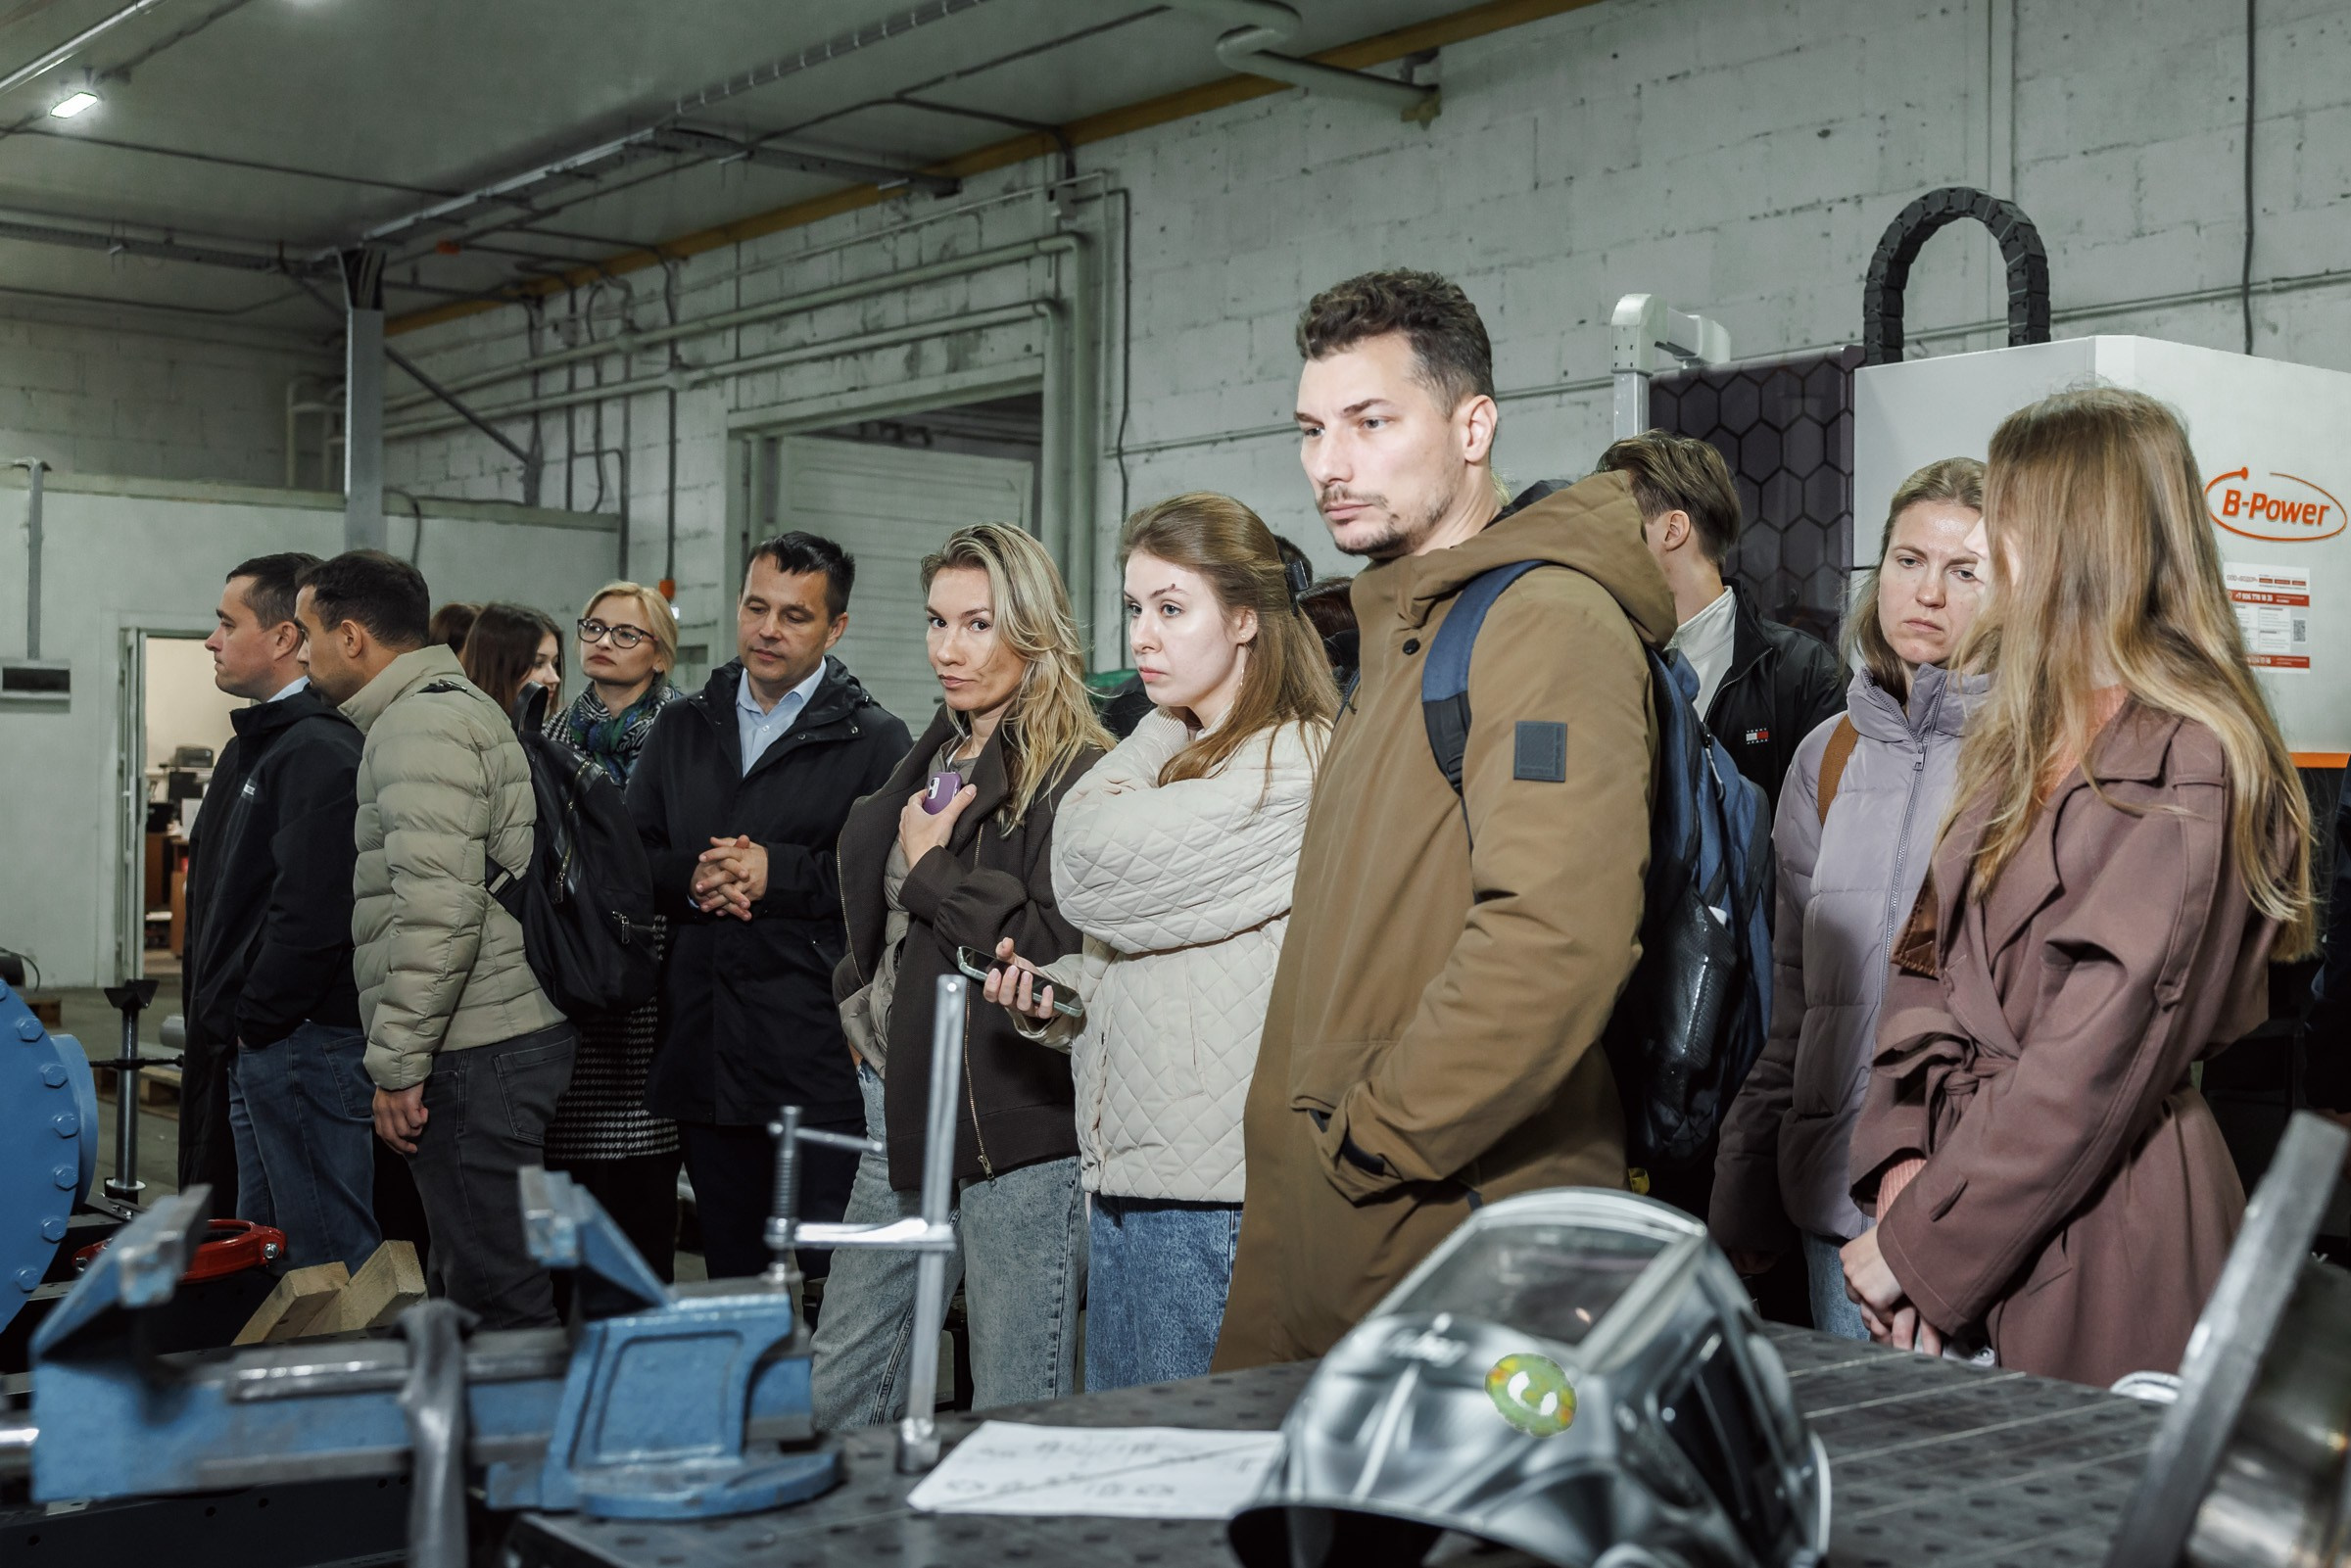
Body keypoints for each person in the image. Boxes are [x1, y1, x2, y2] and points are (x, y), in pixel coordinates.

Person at [1212, 269, 1672, 1368]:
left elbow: (1556, 939)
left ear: (1473, 425)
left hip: (1453, 1232)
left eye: (1373, 422)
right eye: (1313, 429)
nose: (1331, 463)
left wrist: (1374, 1139)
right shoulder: (1409, 629)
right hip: (1361, 1235)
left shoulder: (1542, 624)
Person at [1842, 388, 2313, 1386]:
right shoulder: (2016, 737)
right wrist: (1899, 1165)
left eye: (2004, 514)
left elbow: (2092, 1060)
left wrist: (1924, 1243)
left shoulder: (2194, 757)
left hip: (2109, 1229)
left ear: (2071, 535)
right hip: (1956, 1197)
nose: (1984, 538)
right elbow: (1920, 965)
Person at [983, 493, 1335, 1389]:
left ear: (1247, 620)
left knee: (1183, 1465)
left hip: (1210, 1194)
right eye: (1136, 607)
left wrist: (1150, 731)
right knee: (1129, 1461)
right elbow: (1160, 949)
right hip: (1137, 1174)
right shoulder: (1189, 749)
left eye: (1172, 609)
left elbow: (1088, 863)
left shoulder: (1293, 762)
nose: (1142, 636)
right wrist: (1063, 995)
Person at [816, 523, 1109, 1423]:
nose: (949, 648)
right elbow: (888, 907)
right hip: (901, 1098)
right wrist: (859, 998)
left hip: (1015, 1119)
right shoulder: (936, 754)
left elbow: (1052, 944)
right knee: (840, 1384)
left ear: (1031, 627)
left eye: (977, 624)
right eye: (937, 621)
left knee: (1019, 1403)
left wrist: (938, 871)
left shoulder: (1080, 774)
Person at [1709, 458, 1989, 1338]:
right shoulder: (1826, 758)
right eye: (1909, 561)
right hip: (1834, 1206)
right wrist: (1745, 1172)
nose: (1929, 592)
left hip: (1979, 1215)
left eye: (1965, 570)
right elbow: (1798, 1002)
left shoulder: (2037, 758)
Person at [295, 550, 574, 1329]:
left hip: (476, 1046)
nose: (302, 652)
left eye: (308, 633)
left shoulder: (420, 724)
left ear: (351, 636)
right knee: (476, 1277)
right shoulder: (441, 707)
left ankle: (526, 1447)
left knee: (499, 1292)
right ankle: (481, 1444)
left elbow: (438, 911)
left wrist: (396, 1067)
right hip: (486, 1035)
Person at [627, 534, 910, 1288]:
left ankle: (834, 1413)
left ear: (835, 628)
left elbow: (886, 881)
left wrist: (771, 872)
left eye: (795, 615)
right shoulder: (683, 726)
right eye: (756, 607)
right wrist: (695, 878)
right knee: (733, 1279)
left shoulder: (875, 741)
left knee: (834, 1285)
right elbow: (630, 856)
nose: (768, 629)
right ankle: (747, 1410)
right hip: (707, 1049)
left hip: (817, 1057)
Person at [181, 552, 375, 1267]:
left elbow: (313, 913)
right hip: (265, 1045)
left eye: (226, 623)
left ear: (287, 636)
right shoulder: (255, 748)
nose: (212, 639)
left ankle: (343, 1380)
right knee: (268, 1257)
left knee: (324, 1258)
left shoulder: (319, 751)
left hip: (300, 1043)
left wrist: (254, 1018)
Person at [538, 583, 686, 1278]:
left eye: (626, 633)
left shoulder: (684, 734)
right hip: (563, 972)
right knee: (565, 1192)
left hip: (651, 973)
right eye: (593, 626)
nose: (603, 641)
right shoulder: (550, 732)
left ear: (660, 653)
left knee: (637, 1196)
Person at [1596, 432, 1843, 814]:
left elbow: (1825, 842)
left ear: (1673, 531)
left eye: (1614, 523)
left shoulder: (1806, 675)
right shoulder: (1606, 665)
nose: (1599, 545)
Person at [458, 603, 563, 720]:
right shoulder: (462, 729)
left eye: (555, 664)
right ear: (497, 667)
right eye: (538, 663)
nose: (555, 678)